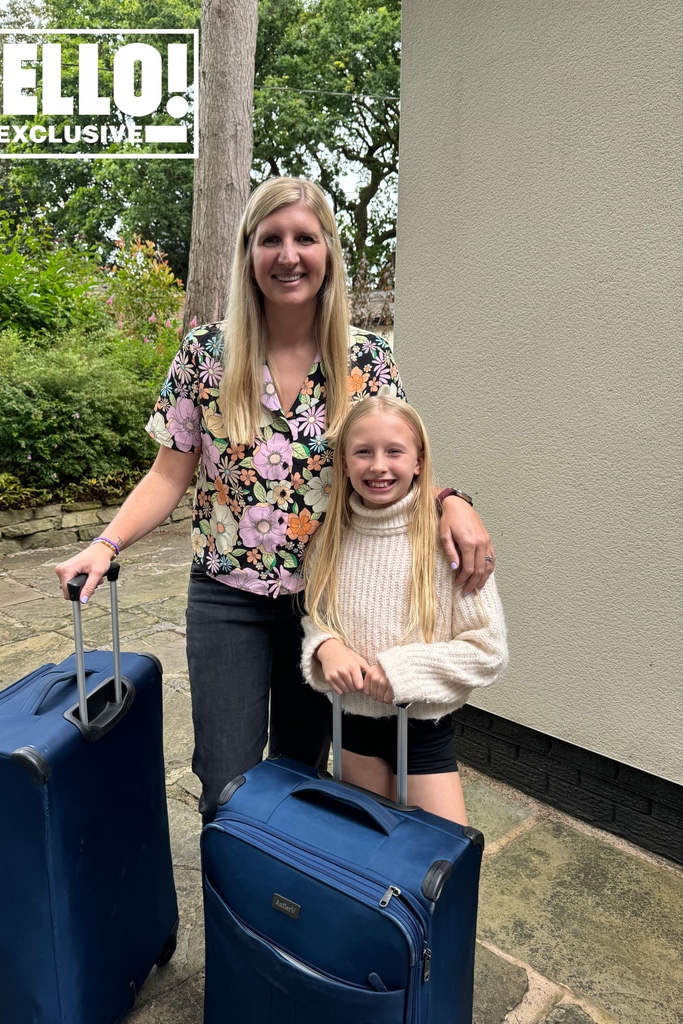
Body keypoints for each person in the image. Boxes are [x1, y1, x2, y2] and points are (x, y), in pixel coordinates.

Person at [55, 176, 497, 824]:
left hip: (325, 604)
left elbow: (395, 460)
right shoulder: (206, 355)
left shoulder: (368, 361)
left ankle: (287, 911)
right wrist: (105, 542)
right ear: (248, 253)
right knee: (225, 776)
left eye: (304, 238)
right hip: (226, 597)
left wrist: (452, 500)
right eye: (271, 239)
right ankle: (233, 909)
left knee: (302, 771)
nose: (288, 254)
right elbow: (169, 475)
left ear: (328, 254)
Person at [301, 394, 508, 824]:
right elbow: (315, 616)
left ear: (418, 460)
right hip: (352, 727)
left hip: (422, 734)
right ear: (343, 463)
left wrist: (401, 670)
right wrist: (324, 646)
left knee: (439, 867)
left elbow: (488, 650)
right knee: (364, 859)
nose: (378, 465)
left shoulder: (445, 540)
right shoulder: (329, 540)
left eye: (394, 451)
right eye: (363, 452)